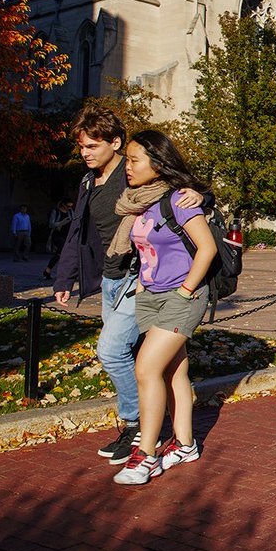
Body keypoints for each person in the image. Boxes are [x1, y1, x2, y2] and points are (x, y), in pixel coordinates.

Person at [54, 105, 205, 467]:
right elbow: (78, 230)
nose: (85, 153)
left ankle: (138, 427)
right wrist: (65, 276)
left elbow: (179, 190)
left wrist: (199, 195)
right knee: (171, 367)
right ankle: (183, 440)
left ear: (115, 143)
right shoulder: (89, 180)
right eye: (82, 147)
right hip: (108, 278)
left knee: (112, 350)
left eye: (92, 146)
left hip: (137, 279)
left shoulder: (134, 171)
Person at [112, 130, 215, 486]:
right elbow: (145, 248)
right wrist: (143, 283)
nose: (128, 166)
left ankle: (147, 454)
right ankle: (185, 444)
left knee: (145, 369)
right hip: (151, 297)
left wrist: (186, 291)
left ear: (157, 163)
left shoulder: (180, 200)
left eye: (134, 160)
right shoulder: (139, 202)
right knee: (173, 372)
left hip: (180, 297)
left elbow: (207, 248)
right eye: (127, 159)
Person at [42, 198, 74, 279]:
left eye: (71, 206)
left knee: (59, 254)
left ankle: (47, 271)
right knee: (65, 252)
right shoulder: (56, 212)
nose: (69, 208)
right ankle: (66, 273)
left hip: (67, 235)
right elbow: (51, 224)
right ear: (63, 205)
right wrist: (61, 223)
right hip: (57, 235)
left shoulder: (70, 212)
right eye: (68, 206)